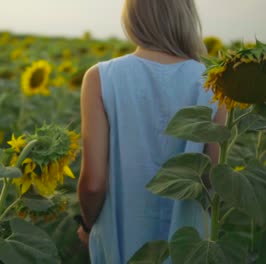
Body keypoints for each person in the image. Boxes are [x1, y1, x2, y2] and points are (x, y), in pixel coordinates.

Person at [76, 0, 226, 263]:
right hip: (188, 248)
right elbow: (214, 177)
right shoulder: (212, 83)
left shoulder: (100, 78)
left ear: (132, 17)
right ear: (186, 16)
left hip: (120, 243)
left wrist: (88, 225)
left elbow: (93, 183)